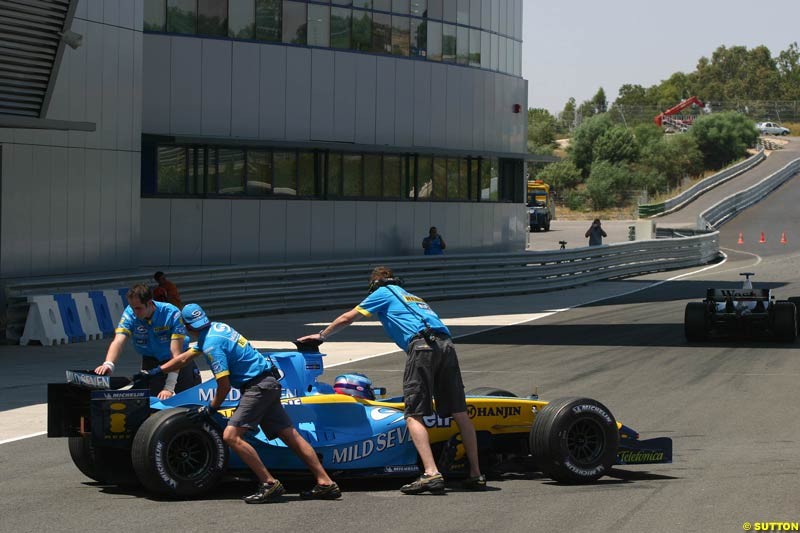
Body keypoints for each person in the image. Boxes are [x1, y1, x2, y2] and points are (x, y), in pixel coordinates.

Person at [297, 266, 485, 494]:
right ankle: (476, 474)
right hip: (447, 346)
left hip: (422, 346)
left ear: (375, 284)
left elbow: (349, 317)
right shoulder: (413, 296)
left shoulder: (383, 292)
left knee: (413, 413)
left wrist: (322, 335)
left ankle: (431, 473)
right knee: (460, 412)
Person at [137, 304, 341, 504]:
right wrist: (155, 372)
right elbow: (184, 358)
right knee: (289, 434)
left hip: (257, 387)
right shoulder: (217, 328)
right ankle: (326, 482)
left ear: (187, 327)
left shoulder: (211, 345)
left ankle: (269, 484)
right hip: (267, 383)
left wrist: (210, 408)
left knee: (231, 435)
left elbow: (223, 387)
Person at [94, 284, 200, 400]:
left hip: (179, 360)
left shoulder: (171, 313)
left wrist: (169, 386)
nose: (134, 312)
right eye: (132, 307)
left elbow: (176, 354)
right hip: (151, 361)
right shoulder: (130, 313)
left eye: (138, 308)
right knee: (147, 402)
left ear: (149, 303)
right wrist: (109, 363)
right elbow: (118, 341)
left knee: (189, 400)